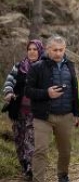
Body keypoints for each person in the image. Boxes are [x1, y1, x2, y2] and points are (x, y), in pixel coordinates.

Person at [25, 36, 79, 182]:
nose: (58, 53)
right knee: (40, 150)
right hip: (43, 117)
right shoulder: (37, 67)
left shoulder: (70, 65)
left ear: (65, 49)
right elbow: (28, 91)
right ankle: (38, 179)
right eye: (55, 50)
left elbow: (74, 90)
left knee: (65, 151)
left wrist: (77, 113)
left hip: (66, 115)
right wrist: (46, 93)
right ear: (48, 49)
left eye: (61, 50)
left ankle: (63, 176)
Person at [2, 40, 44, 180]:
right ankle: (25, 164)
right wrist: (8, 92)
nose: (32, 51)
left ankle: (31, 168)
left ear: (40, 51)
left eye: (35, 49)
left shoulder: (44, 67)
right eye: (29, 49)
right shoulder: (19, 66)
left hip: (35, 112)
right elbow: (9, 81)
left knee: (30, 139)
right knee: (19, 140)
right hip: (18, 110)